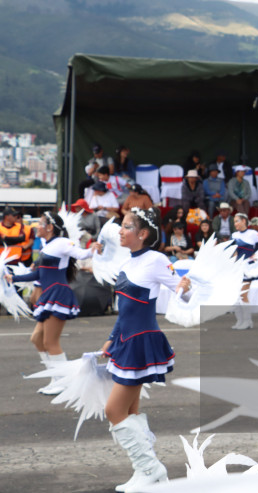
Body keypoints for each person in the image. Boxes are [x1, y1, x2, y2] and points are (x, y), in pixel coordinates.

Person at [100, 207, 190, 491]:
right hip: (126, 342)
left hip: (142, 342)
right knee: (130, 410)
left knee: (114, 410)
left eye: (126, 226)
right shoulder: (128, 262)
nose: (120, 231)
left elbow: (184, 291)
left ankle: (151, 468)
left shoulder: (156, 260)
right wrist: (112, 338)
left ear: (142, 234)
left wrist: (185, 286)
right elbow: (124, 311)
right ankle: (146, 472)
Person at [6, 211, 99, 395]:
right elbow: (38, 275)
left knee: (50, 342)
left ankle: (64, 382)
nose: (36, 227)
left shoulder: (62, 243)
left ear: (50, 227)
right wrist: (13, 278)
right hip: (48, 295)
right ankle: (55, 377)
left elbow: (80, 253)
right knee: (37, 339)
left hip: (59, 294)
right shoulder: (46, 246)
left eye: (40, 223)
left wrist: (92, 248)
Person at [230, 213, 258, 330]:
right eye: (234, 222)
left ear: (244, 221)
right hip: (236, 268)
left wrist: (257, 254)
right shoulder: (234, 235)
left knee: (243, 294)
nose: (235, 224)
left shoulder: (253, 234)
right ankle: (240, 321)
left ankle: (247, 321)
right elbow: (232, 251)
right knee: (236, 296)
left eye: (237, 221)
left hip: (247, 268)